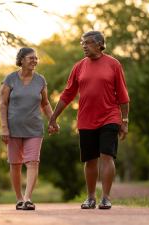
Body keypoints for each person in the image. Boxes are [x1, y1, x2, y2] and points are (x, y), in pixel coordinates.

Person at [48, 31, 130, 210]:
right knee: (90, 160)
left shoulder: (114, 64)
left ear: (100, 44)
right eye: (82, 43)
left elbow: (123, 95)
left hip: (110, 117)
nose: (84, 46)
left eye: (88, 42)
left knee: (106, 155)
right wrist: (54, 117)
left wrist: (125, 120)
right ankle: (91, 197)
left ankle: (106, 198)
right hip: (86, 119)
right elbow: (68, 93)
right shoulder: (79, 67)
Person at [0, 47, 55, 210]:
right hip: (13, 128)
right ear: (21, 59)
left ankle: (28, 198)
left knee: (32, 162)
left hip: (34, 129)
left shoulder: (40, 80)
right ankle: (19, 198)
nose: (35, 61)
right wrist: (4, 128)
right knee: (15, 164)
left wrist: (52, 121)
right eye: (31, 58)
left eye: (36, 58)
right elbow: (3, 103)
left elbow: (45, 103)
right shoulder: (10, 79)